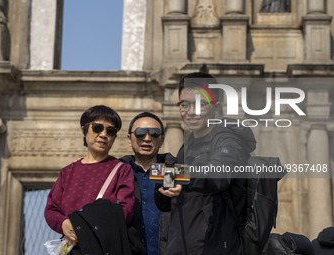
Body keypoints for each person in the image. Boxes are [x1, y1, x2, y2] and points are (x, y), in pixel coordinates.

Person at [155, 72, 257, 255]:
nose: (191, 111)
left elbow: (217, 175)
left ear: (215, 107)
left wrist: (178, 176)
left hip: (216, 247)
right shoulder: (187, 148)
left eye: (200, 103)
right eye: (185, 104)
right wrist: (163, 189)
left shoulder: (228, 140)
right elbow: (167, 203)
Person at [44, 105, 135, 253]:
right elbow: (51, 209)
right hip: (73, 248)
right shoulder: (67, 172)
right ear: (84, 130)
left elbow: (125, 211)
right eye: (97, 128)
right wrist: (64, 223)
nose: (103, 134)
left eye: (110, 131)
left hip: (104, 247)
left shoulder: (121, 170)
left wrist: (81, 226)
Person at [120, 112, 176, 255]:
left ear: (162, 139)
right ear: (129, 138)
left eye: (154, 133)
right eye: (139, 133)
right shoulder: (116, 174)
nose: (147, 138)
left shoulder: (175, 172)